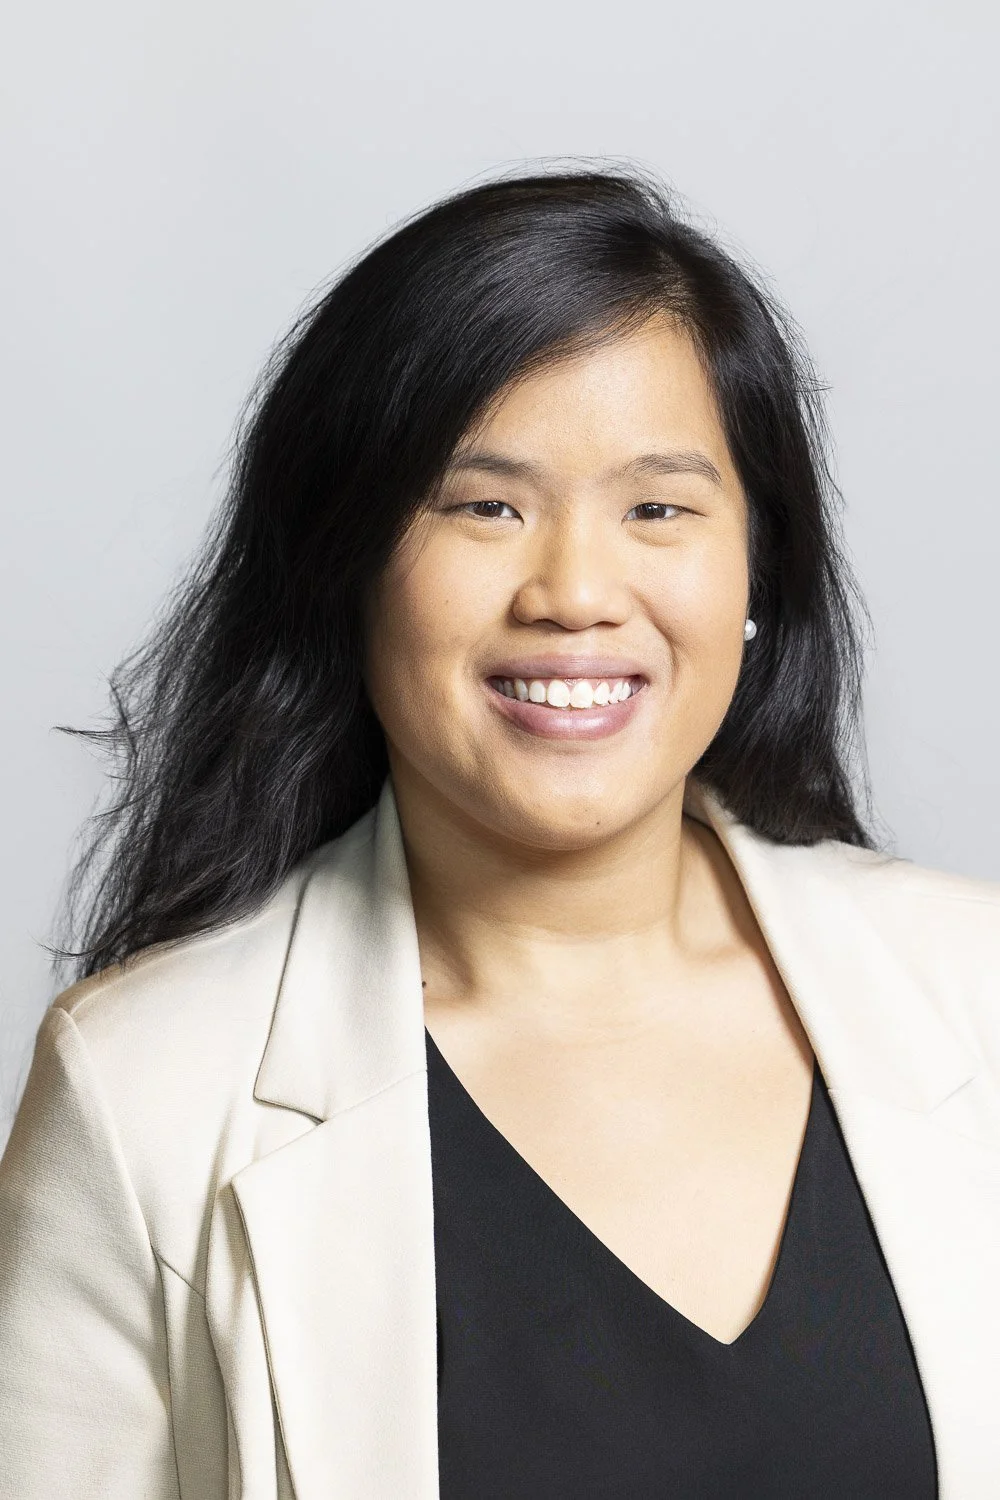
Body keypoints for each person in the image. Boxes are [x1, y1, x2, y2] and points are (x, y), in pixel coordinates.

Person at [1, 166, 997, 1500]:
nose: (577, 592)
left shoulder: (975, 993)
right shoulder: (146, 1097)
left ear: (758, 568)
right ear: (347, 565)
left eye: (659, 508)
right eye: (486, 506)